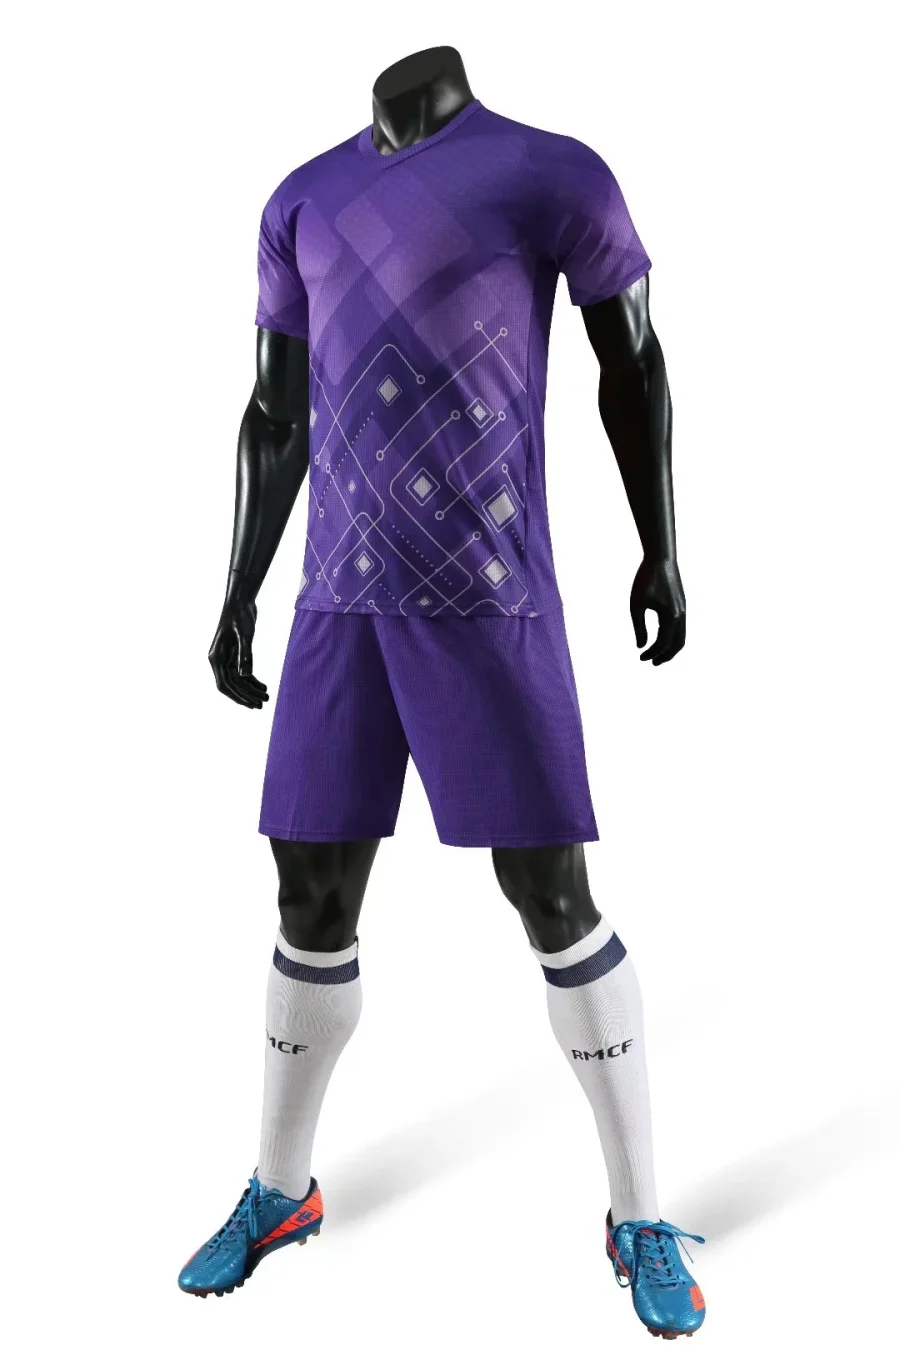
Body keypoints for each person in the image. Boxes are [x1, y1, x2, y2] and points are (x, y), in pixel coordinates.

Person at [179, 46, 705, 1340]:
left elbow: (632, 361)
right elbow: (274, 410)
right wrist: (239, 588)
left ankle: (639, 1212)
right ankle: (279, 1189)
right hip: (336, 601)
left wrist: (662, 544)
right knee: (308, 896)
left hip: (487, 589)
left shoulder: (550, 173)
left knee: (553, 896)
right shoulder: (301, 196)